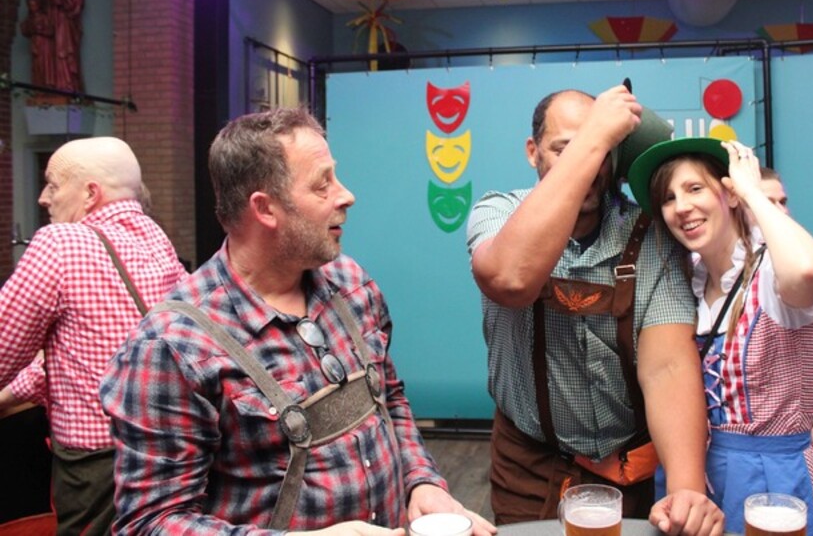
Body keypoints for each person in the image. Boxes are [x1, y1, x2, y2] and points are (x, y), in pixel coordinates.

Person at [100, 107, 496, 536]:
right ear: (265, 208)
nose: (346, 195)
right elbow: (150, 523)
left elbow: (390, 399)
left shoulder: (351, 285)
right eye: (323, 184)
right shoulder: (173, 345)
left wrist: (421, 481)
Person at [466, 85, 723, 535]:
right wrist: (595, 137)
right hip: (530, 465)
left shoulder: (649, 233)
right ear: (532, 152)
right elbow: (509, 279)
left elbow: (667, 367)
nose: (587, 165)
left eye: (602, 151)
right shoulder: (498, 212)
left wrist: (686, 490)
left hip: (628, 470)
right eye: (565, 149)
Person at [628, 138, 813, 536]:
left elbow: (809, 272)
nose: (681, 207)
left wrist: (752, 194)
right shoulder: (687, 282)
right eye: (669, 198)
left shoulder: (771, 273)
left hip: (773, 481)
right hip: (698, 473)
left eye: (694, 188)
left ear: (728, 193)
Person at [0, 136, 189, 535]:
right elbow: (89, 353)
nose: (43, 198)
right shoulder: (159, 244)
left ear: (90, 193)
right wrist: (15, 392)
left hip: (99, 466)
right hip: (167, 450)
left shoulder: (60, 243)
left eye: (53, 185)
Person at [760, 167, 813, 458]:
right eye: (767, 203)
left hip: (779, 440)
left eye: (782, 202)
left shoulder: (789, 265)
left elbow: (796, 349)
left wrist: (807, 411)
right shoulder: (706, 267)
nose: (781, 211)